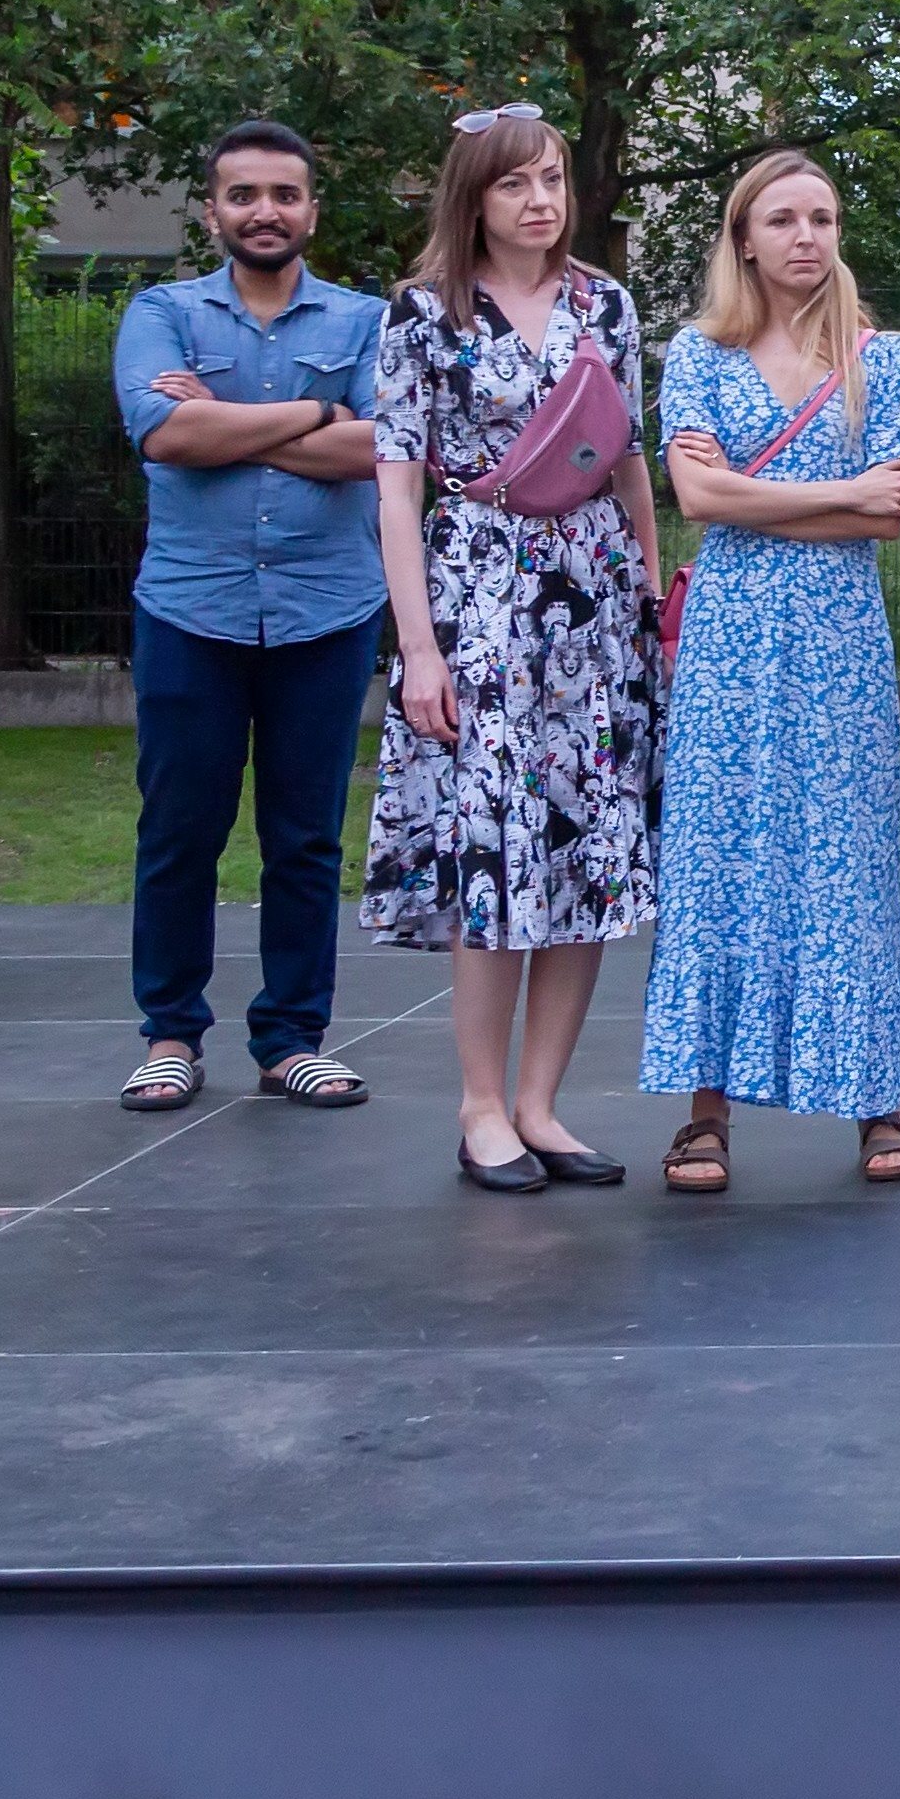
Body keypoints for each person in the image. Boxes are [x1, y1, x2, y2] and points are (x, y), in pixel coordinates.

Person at [362, 102, 664, 1193]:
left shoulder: (605, 303)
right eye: (514, 183)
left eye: (552, 180)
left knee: (588, 852)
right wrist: (418, 647)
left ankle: (540, 1104)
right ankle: (481, 1106)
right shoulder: (421, 313)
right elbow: (397, 491)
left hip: (595, 599)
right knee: (494, 848)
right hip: (480, 594)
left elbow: (626, 458)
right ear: (474, 198)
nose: (540, 201)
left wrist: (649, 595)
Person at [643, 151, 900, 1189]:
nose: (806, 235)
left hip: (838, 639)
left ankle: (874, 1097)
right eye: (782, 219)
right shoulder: (698, 353)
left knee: (848, 856)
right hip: (729, 641)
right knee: (718, 857)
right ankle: (704, 1113)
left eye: (822, 216)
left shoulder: (882, 360)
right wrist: (840, 495)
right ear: (744, 238)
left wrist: (764, 498)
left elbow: (891, 513)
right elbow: (697, 499)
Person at [110, 121, 386, 1112]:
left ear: (311, 209)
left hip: (328, 609)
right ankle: (170, 1035)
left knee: (305, 837)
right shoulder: (162, 312)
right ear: (211, 211)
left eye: (283, 194)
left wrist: (226, 424)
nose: (263, 211)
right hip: (191, 608)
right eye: (243, 195)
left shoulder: (368, 322)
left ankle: (291, 1037)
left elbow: (383, 449)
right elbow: (164, 433)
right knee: (179, 830)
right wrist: (321, 413)